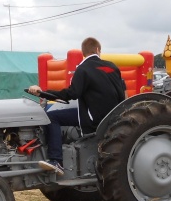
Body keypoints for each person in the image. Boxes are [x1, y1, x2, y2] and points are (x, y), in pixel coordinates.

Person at [27, 37, 126, 175]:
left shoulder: (83, 69)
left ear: (83, 52)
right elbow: (122, 92)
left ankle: (56, 160)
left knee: (51, 117)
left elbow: (72, 93)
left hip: (94, 119)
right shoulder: (112, 67)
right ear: (98, 50)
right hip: (114, 118)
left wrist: (44, 93)